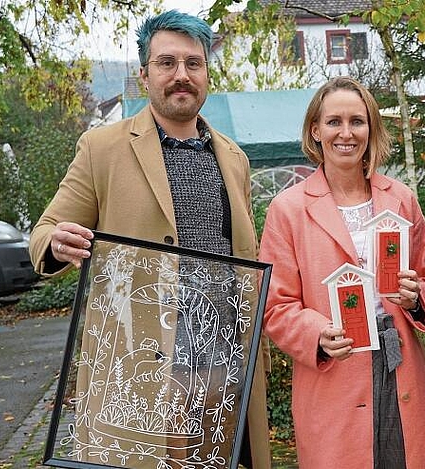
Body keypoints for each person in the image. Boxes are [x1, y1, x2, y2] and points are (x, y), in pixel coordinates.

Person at [29, 10, 270, 469]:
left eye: (193, 63)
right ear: (144, 74)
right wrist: (57, 242)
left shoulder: (234, 158)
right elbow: (43, 232)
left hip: (224, 369)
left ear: (205, 73)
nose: (182, 75)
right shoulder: (101, 148)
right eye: (167, 63)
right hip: (140, 369)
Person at [258, 76, 425, 469]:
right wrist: (316, 334)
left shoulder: (401, 199)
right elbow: (275, 306)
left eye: (357, 121)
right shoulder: (287, 209)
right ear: (315, 130)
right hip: (335, 371)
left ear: (371, 129)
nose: (346, 133)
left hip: (400, 366)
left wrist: (415, 298)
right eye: (334, 122)